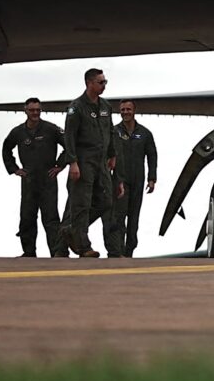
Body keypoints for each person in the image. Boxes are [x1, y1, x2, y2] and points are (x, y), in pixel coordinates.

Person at [2, 96, 69, 256]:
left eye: (38, 110)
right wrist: (14, 169)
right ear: (25, 111)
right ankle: (29, 252)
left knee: (51, 218)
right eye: (32, 110)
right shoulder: (18, 132)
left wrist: (60, 165)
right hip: (29, 180)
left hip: (48, 179)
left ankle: (57, 252)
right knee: (27, 217)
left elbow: (69, 145)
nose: (35, 113)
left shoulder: (51, 129)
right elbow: (6, 148)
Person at [61, 67, 112, 258]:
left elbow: (110, 132)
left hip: (101, 161)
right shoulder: (77, 107)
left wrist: (112, 154)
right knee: (81, 203)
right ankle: (83, 246)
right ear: (89, 83)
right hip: (84, 160)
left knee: (105, 201)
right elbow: (70, 137)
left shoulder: (106, 106)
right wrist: (72, 162)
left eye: (105, 82)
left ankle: (73, 230)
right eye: (101, 82)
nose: (104, 85)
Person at [106, 99, 158, 257]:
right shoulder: (114, 132)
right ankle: (118, 250)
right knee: (119, 216)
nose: (125, 112)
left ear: (134, 111)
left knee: (134, 217)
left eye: (128, 109)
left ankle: (130, 250)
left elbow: (152, 156)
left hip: (138, 179)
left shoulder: (144, 133)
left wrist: (152, 178)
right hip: (120, 180)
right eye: (122, 110)